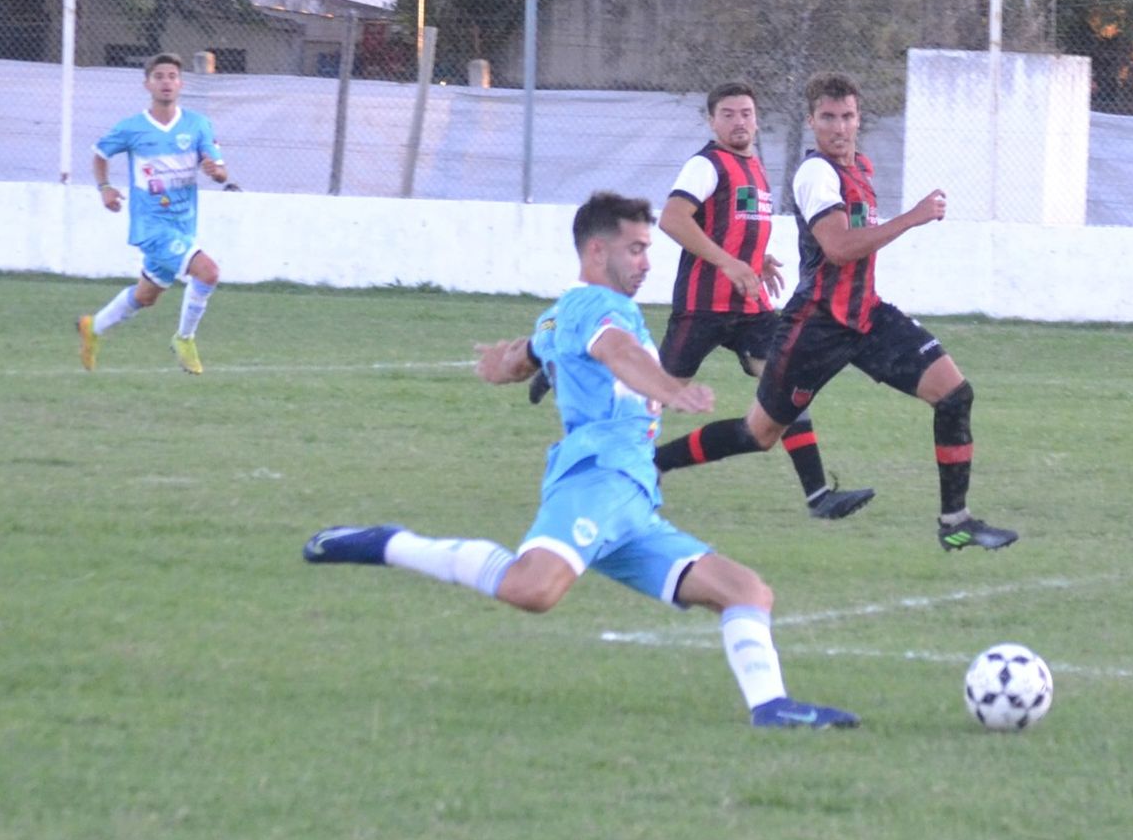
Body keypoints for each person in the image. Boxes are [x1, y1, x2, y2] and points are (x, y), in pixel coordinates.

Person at [304, 191, 860, 729]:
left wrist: (509, 362)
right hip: (599, 479)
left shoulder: (567, 312)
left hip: (634, 497)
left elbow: (535, 350)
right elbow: (614, 350)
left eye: (647, 248)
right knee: (532, 589)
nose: (646, 262)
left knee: (745, 591)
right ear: (597, 252)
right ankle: (389, 543)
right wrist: (669, 387)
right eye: (635, 249)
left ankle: (772, 706)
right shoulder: (596, 307)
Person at [652, 72, 1018, 551]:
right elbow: (840, 248)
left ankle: (956, 523)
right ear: (812, 121)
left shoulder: (859, 168)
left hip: (866, 317)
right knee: (758, 434)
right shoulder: (815, 173)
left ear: (858, 118)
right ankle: (655, 464)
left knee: (954, 394)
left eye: (847, 116)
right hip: (817, 328)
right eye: (828, 118)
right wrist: (913, 217)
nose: (839, 127)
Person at [656, 82, 873, 519]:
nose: (739, 122)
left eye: (747, 113)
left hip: (751, 308)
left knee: (789, 388)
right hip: (703, 308)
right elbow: (672, 219)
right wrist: (729, 264)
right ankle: (595, 438)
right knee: (652, 395)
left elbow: (730, 225)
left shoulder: (754, 165)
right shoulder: (705, 164)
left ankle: (818, 497)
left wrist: (756, 259)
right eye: (729, 114)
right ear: (711, 121)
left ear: (757, 119)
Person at [77, 51, 229, 375]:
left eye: (172, 76)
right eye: (159, 76)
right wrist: (104, 187)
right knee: (208, 272)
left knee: (145, 296)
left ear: (181, 83)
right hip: (151, 226)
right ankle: (184, 338)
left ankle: (93, 327)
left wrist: (214, 172)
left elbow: (220, 170)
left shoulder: (198, 125)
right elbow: (100, 154)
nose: (166, 83)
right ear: (147, 84)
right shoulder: (132, 128)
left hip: (182, 225)